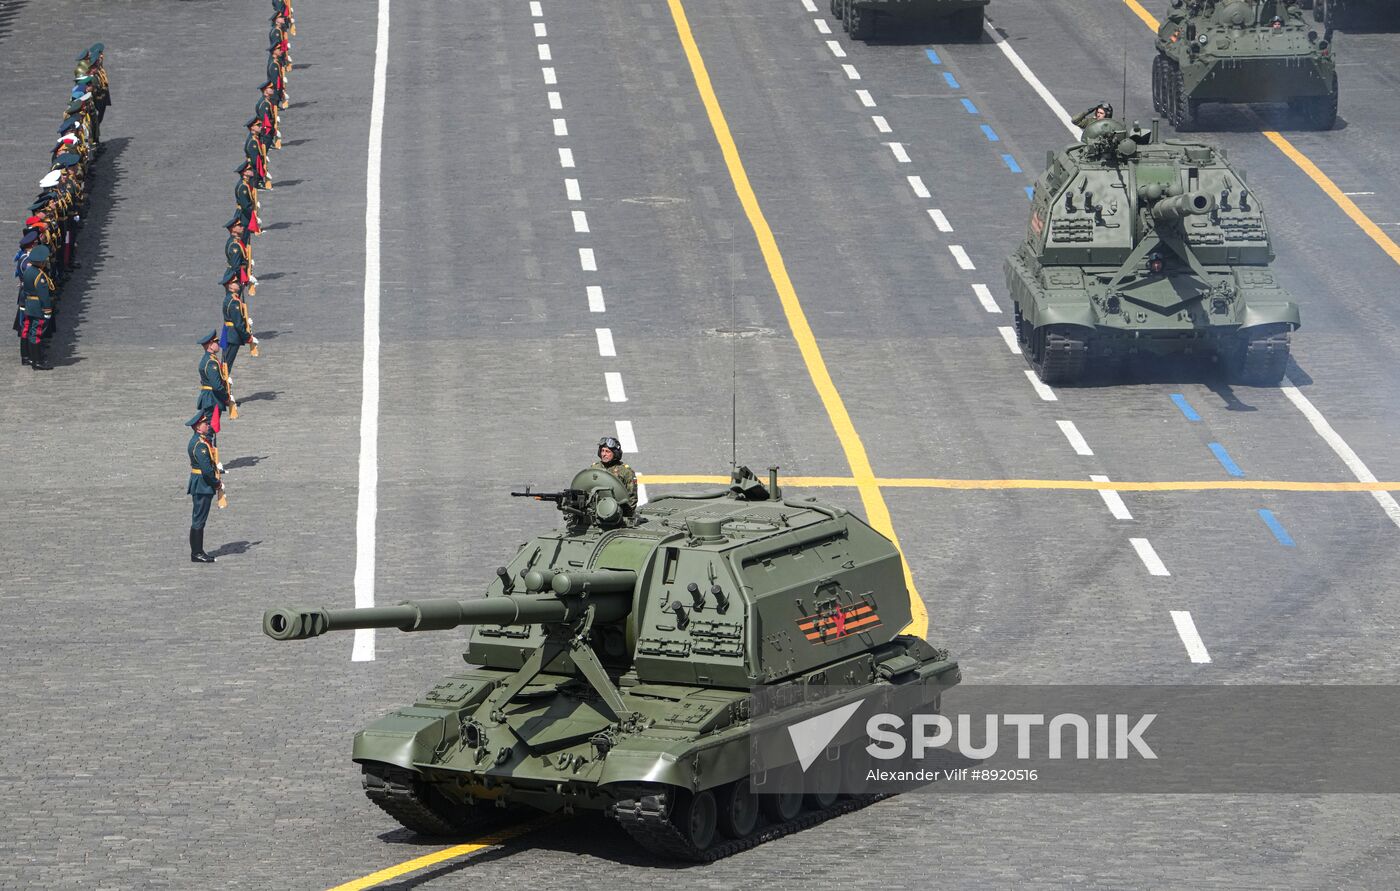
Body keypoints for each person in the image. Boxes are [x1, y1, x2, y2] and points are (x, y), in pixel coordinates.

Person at [186, 410, 224, 563]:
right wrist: (216, 483)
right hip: (202, 484)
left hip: (201, 483)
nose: (208, 425)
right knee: (199, 519)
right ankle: (197, 553)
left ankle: (197, 551)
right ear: (198, 427)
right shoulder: (199, 445)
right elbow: (207, 470)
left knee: (199, 518)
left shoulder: (200, 440)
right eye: (205, 424)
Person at [17, 245, 56, 370]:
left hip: (29, 304)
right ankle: (37, 360)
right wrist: (47, 310)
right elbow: (44, 295)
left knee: (27, 330)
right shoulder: (39, 275)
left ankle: (26, 356)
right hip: (38, 307)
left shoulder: (28, 271)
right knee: (36, 333)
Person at [591, 436, 637, 517]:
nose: (604, 454)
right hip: (596, 512)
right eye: (602, 451)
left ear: (615, 453)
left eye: (607, 452)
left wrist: (624, 516)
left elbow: (631, 499)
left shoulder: (626, 472)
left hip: (617, 514)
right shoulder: (595, 468)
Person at [197, 329, 232, 431]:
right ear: (210, 345)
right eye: (216, 342)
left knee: (210, 428)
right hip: (212, 398)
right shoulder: (211, 362)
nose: (218, 344)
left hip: (209, 397)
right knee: (209, 428)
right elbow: (216, 385)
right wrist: (226, 397)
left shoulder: (208, 359)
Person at [220, 269, 254, 373]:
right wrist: (248, 337)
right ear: (230, 286)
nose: (238, 283)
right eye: (235, 282)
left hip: (228, 333)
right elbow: (238, 324)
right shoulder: (234, 302)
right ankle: (223, 383)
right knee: (226, 366)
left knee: (225, 363)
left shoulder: (230, 298)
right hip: (232, 336)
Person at [234, 162, 261, 234]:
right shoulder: (243, 187)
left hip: (246, 214)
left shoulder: (246, 183)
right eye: (249, 169)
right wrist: (254, 217)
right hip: (244, 217)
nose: (252, 170)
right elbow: (245, 206)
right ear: (244, 173)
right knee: (245, 234)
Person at [244, 117, 271, 189]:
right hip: (255, 166)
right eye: (258, 125)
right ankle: (257, 184)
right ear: (252, 128)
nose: (260, 126)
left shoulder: (255, 137)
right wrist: (262, 165)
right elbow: (254, 161)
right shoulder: (252, 141)